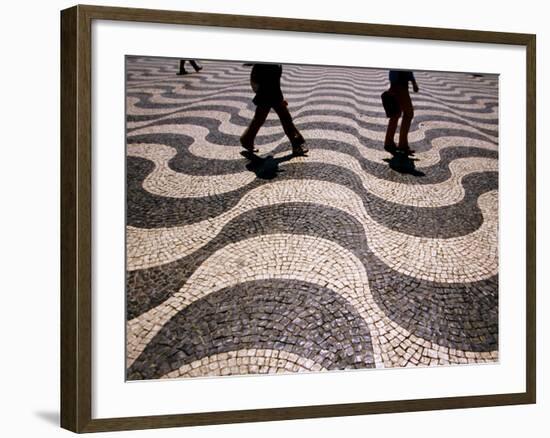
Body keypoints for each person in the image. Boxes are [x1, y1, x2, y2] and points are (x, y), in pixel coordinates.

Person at [240, 63, 307, 156]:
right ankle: (296, 144)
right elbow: (259, 80)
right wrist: (278, 99)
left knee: (260, 119)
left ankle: (246, 139)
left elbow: (275, 83)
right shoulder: (264, 64)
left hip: (272, 95)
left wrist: (280, 99)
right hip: (267, 95)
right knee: (285, 119)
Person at [384, 70, 419, 156]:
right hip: (400, 84)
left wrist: (413, 81)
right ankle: (402, 145)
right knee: (408, 114)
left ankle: (389, 142)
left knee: (396, 114)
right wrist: (413, 82)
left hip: (398, 83)